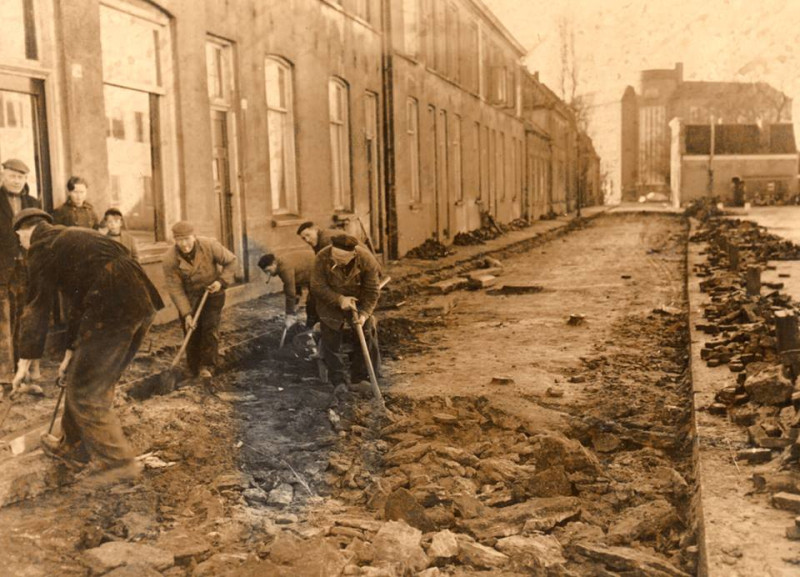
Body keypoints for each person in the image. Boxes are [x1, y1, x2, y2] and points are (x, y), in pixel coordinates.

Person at [11, 208, 164, 476]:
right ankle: (73, 447)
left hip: (112, 305)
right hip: (140, 302)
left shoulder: (41, 246)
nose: (22, 246)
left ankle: (119, 466)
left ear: (23, 232)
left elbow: (36, 306)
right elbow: (79, 304)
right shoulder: (70, 240)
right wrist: (71, 352)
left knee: (87, 391)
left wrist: (24, 362)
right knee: (84, 377)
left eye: (20, 240)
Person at [163, 221, 236, 378]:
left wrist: (221, 282)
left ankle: (208, 367)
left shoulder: (209, 245)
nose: (184, 244)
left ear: (194, 236)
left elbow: (231, 261)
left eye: (187, 239)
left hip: (213, 293)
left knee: (209, 328)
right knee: (191, 330)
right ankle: (193, 367)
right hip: (189, 297)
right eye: (179, 240)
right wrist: (186, 314)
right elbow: (175, 289)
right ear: (174, 240)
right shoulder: (170, 259)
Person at [311, 234, 381, 391]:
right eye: (334, 256)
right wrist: (339, 299)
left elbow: (372, 291)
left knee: (366, 331)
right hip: (329, 300)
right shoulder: (322, 257)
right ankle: (339, 381)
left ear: (353, 254)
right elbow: (317, 286)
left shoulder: (367, 260)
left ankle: (360, 378)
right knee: (330, 336)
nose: (336, 261)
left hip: (358, 301)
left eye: (342, 259)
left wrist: (364, 315)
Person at [0, 159, 41, 386]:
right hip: (2, 272)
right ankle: (4, 377)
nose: (17, 181)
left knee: (28, 320)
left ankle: (27, 373)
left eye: (21, 177)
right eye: (12, 176)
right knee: (3, 325)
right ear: (3, 175)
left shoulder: (32, 203)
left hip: (28, 271)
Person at [258, 249, 316, 328]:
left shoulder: (284, 268)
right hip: (307, 272)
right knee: (311, 302)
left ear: (274, 263)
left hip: (316, 269)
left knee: (313, 302)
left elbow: (290, 291)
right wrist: (295, 303)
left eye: (268, 270)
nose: (268, 274)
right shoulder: (279, 264)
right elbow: (295, 281)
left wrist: (289, 314)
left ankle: (313, 328)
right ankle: (311, 326)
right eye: (265, 272)